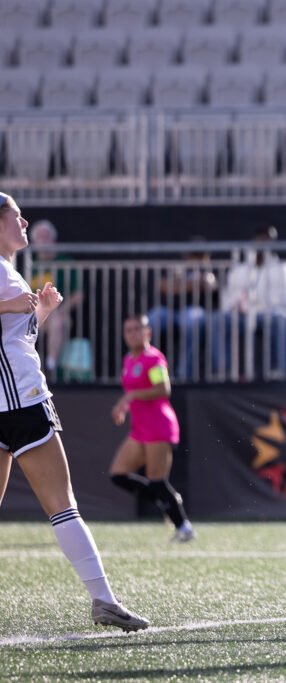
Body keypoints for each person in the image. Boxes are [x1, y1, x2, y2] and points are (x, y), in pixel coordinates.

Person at [0, 191, 148, 632]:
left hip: (11, 398)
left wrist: (41, 312)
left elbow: (15, 339)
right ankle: (104, 600)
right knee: (63, 506)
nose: (24, 223)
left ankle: (105, 601)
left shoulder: (10, 270)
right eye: (17, 216)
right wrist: (10, 305)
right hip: (22, 401)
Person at [109, 314, 195, 543]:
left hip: (159, 426)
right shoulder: (129, 360)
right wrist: (124, 407)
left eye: (137, 329)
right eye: (128, 330)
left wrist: (131, 396)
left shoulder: (154, 359)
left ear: (148, 333)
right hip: (140, 428)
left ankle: (184, 527)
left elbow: (163, 389)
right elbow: (133, 394)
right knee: (118, 475)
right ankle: (168, 499)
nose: (132, 334)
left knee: (156, 479)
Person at [212, 226, 286, 380]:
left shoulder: (282, 268)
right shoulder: (240, 269)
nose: (262, 244)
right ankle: (224, 371)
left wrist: (260, 304)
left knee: (281, 318)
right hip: (242, 316)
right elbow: (227, 297)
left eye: (267, 241)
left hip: (268, 314)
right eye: (260, 240)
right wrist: (238, 305)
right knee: (219, 319)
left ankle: (282, 370)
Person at [147, 237, 219, 380]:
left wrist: (179, 285)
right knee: (150, 321)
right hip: (169, 310)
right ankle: (155, 375)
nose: (196, 259)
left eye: (200, 255)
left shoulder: (210, 270)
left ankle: (184, 374)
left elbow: (210, 284)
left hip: (194, 310)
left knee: (192, 322)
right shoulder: (177, 268)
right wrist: (191, 284)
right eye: (193, 254)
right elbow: (163, 285)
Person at [28, 219, 84, 382]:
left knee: (58, 321)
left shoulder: (65, 262)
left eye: (47, 237)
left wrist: (61, 310)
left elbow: (78, 294)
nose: (43, 241)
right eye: (40, 238)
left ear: (54, 240)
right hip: (32, 313)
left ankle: (51, 367)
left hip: (57, 313)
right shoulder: (29, 264)